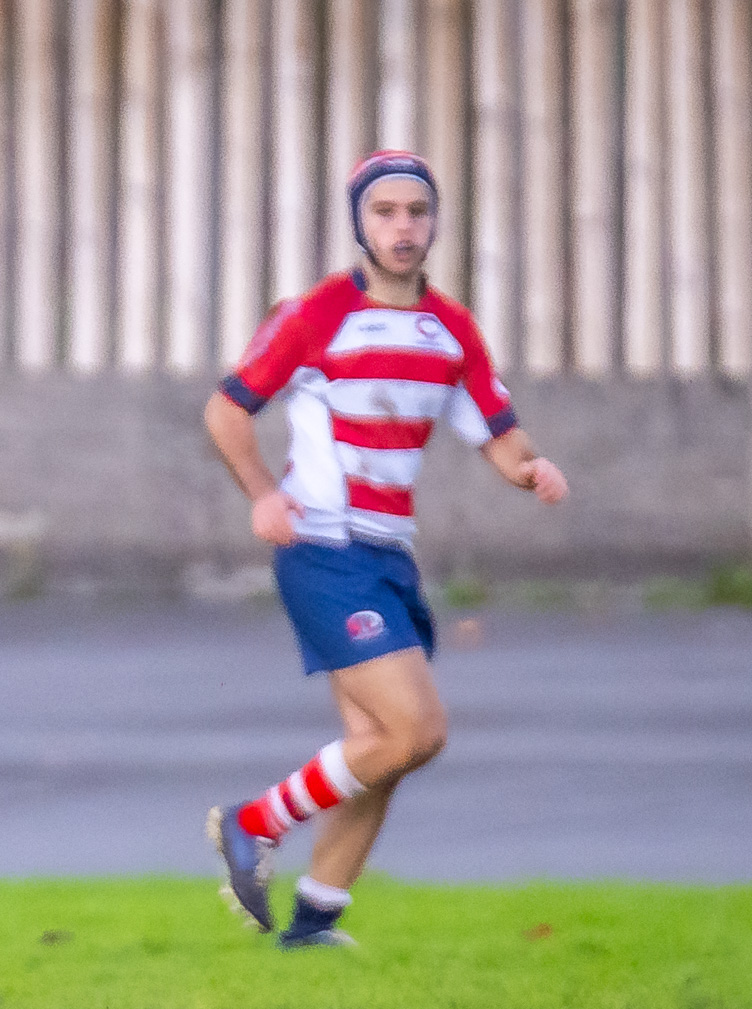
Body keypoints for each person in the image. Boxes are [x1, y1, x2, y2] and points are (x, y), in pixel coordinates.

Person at [202, 151, 570, 948]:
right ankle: (252, 823)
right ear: (359, 221)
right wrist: (265, 493)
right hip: (324, 550)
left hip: (388, 554)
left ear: (435, 221)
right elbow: (227, 411)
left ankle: (313, 920)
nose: (403, 227)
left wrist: (531, 468)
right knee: (415, 730)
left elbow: (499, 434)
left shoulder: (452, 329)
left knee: (378, 749)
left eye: (417, 212)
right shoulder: (315, 314)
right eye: (385, 212)